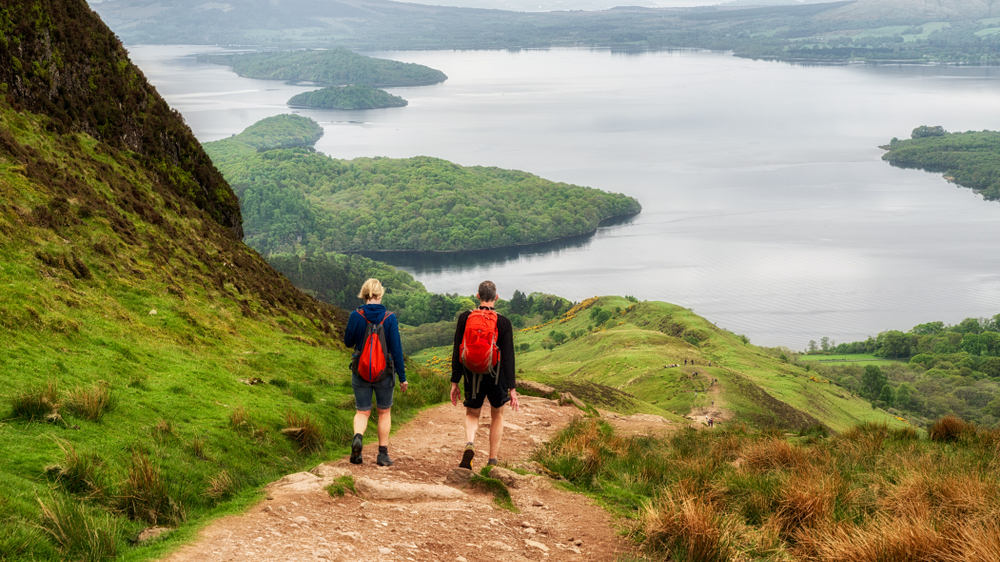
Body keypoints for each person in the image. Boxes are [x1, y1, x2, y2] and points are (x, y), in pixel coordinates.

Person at [450, 280, 519, 469]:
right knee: (497, 414)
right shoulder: (503, 322)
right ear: (496, 297)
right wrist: (512, 387)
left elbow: (457, 349)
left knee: (472, 413)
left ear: (478, 296)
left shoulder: (465, 318)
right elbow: (508, 357)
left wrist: (455, 381)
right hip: (497, 376)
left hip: (471, 374)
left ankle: (470, 443)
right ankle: (492, 460)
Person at [344, 278, 406, 466]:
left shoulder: (356, 315)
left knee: (362, 412)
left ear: (364, 295)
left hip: (360, 371)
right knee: (384, 412)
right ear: (380, 295)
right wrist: (402, 377)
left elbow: (348, 342)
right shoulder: (389, 318)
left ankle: (358, 438)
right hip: (385, 374)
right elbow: (396, 350)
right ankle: (382, 455)